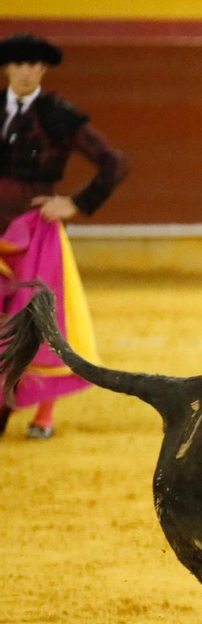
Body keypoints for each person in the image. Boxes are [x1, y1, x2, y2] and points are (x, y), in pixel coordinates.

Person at [0, 34, 130, 441]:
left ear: (43, 70)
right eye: (19, 63)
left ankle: (42, 410)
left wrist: (75, 203)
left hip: (35, 231)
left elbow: (114, 163)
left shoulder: (56, 113)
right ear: (7, 68)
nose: (25, 71)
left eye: (34, 64)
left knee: (35, 317)